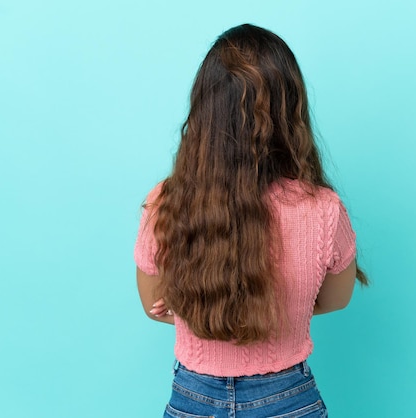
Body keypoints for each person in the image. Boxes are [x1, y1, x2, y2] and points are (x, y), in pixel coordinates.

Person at [135, 23, 368, 418]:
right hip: (289, 400)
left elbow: (153, 305)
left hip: (194, 399)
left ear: (205, 111)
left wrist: (208, 305)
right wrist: (277, 308)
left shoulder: (166, 201)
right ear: (289, 111)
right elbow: (335, 299)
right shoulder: (324, 208)